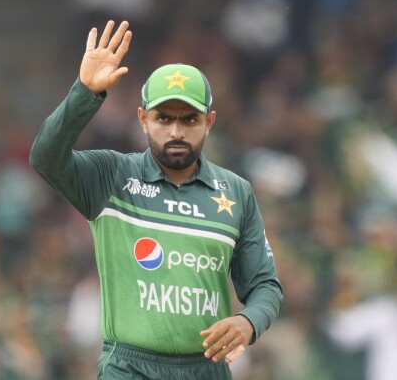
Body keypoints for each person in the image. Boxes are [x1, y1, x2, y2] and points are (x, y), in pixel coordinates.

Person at [29, 20, 283, 380]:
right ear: (143, 120)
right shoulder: (111, 175)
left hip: (206, 370)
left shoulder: (236, 192)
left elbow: (264, 286)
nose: (176, 131)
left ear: (209, 122)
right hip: (128, 368)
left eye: (189, 119)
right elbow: (45, 157)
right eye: (164, 118)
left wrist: (248, 321)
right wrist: (83, 93)